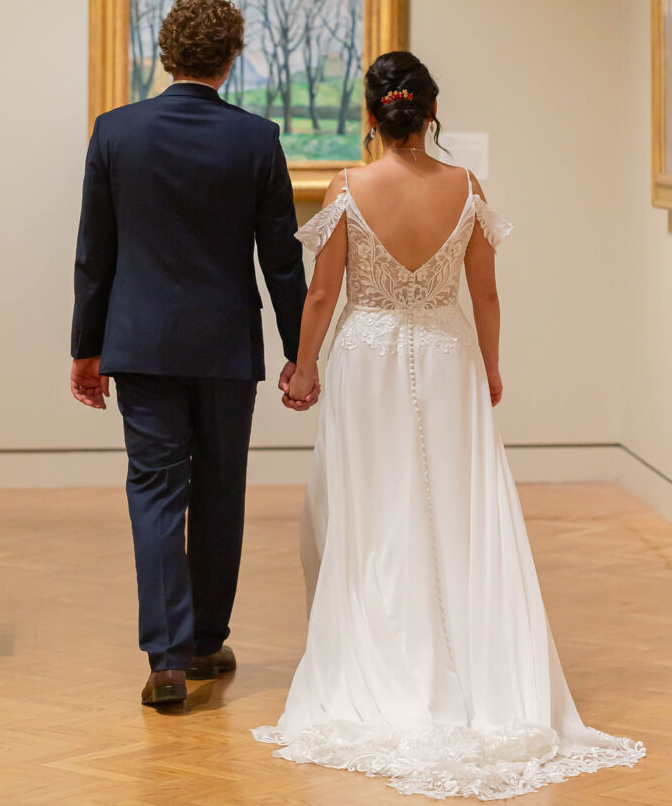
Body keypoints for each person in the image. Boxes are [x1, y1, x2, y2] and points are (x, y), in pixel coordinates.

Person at [252, 51, 645, 799]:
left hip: (366, 356)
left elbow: (323, 293)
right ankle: (477, 664)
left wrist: (304, 367)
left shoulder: (347, 188)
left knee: (371, 514)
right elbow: (486, 295)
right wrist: (490, 366)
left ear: (372, 115)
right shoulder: (466, 188)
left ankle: (384, 659)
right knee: (459, 515)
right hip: (447, 354)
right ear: (430, 112)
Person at [70, 0, 318, 707]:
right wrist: (300, 353)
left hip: (139, 343)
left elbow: (96, 256)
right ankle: (207, 641)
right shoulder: (256, 139)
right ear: (232, 59)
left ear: (163, 53)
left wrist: (86, 349)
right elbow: (280, 262)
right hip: (222, 344)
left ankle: (167, 658)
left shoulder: (115, 132)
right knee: (217, 490)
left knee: (154, 492)